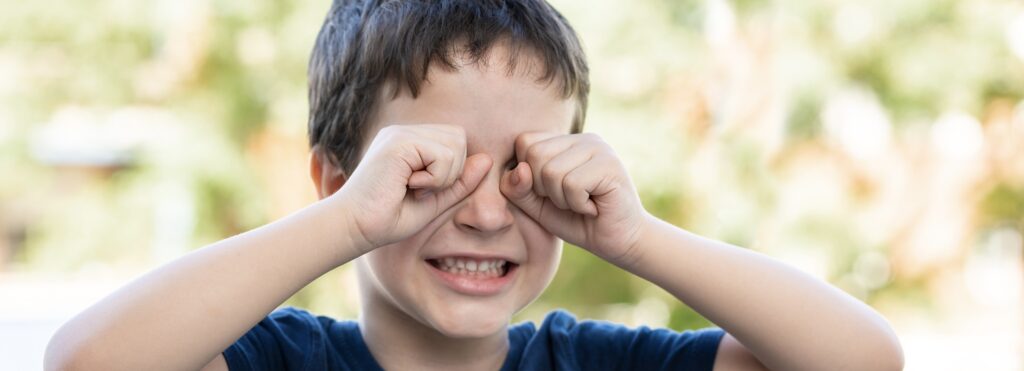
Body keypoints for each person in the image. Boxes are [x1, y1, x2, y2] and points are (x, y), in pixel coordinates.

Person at [44, 0, 904, 370]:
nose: (489, 212)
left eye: (527, 171)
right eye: (435, 170)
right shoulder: (279, 358)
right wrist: (345, 222)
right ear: (338, 179)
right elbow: (88, 362)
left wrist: (640, 238)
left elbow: (864, 359)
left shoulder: (596, 360)